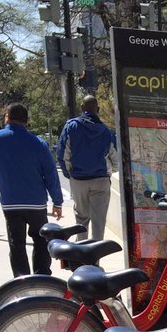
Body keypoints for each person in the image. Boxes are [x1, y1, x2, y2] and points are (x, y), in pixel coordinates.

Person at [0, 103, 63, 276]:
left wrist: (1, 172)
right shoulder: (39, 143)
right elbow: (51, 175)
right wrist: (57, 202)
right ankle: (42, 277)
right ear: (26, 121)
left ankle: (22, 282)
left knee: (16, 244)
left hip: (11, 202)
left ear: (7, 118)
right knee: (41, 242)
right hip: (36, 203)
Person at [57, 95, 117, 240]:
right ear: (98, 109)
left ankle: (81, 255)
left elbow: (63, 154)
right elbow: (116, 158)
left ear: (82, 108)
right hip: (101, 180)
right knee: (99, 222)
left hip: (79, 180)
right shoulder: (105, 131)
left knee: (81, 219)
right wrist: (108, 172)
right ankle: (95, 259)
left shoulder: (71, 126)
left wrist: (70, 174)